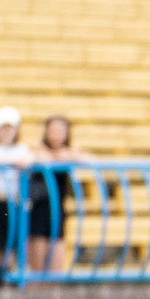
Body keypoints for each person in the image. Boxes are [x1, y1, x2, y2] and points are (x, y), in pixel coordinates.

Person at [29, 114, 95, 274]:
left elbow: (91, 160)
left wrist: (68, 155)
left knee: (56, 267)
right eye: (53, 130)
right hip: (38, 210)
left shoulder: (70, 152)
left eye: (60, 130)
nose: (56, 134)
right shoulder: (37, 151)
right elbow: (39, 158)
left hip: (58, 210)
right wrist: (58, 157)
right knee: (37, 268)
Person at [0, 107, 36, 283]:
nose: (7, 132)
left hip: (11, 202)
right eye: (3, 128)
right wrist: (12, 162)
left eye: (10, 128)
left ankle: (5, 278)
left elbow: (30, 159)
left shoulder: (22, 149)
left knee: (10, 247)